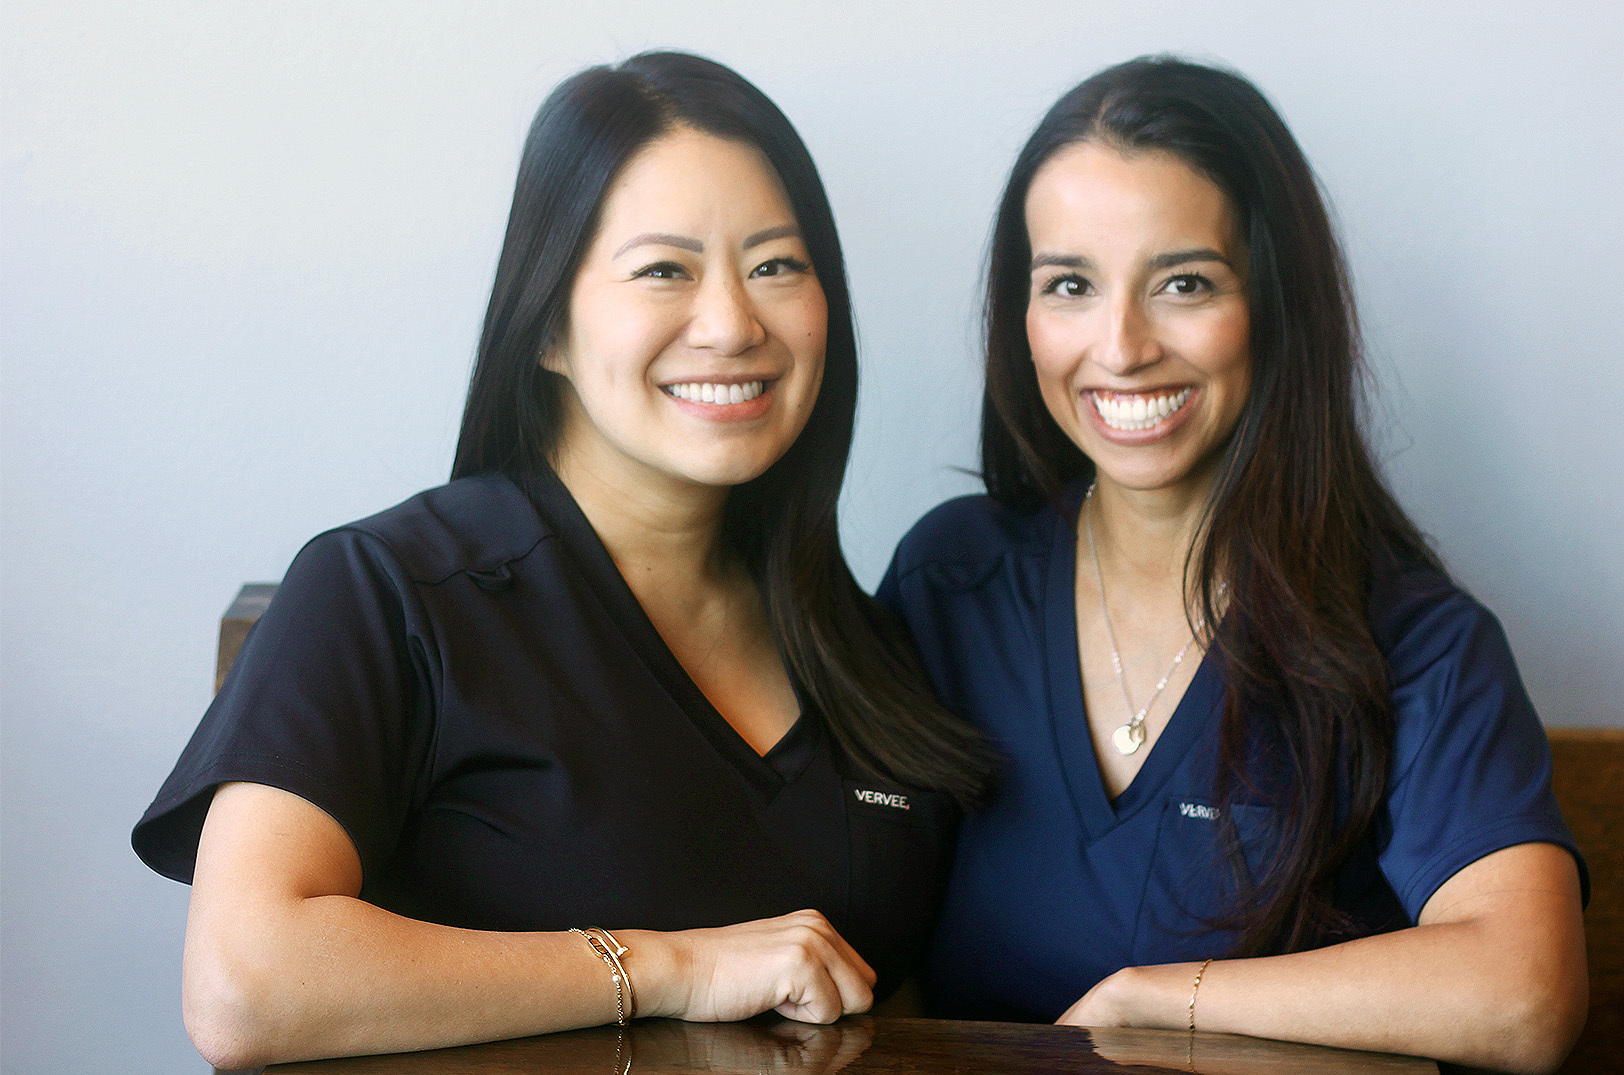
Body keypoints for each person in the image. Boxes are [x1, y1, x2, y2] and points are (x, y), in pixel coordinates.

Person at [133, 51, 993, 1070]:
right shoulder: (389, 590)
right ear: (546, 325)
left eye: (775, 265)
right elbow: (246, 985)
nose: (732, 323)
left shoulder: (871, 647)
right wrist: (670, 969)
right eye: (664, 269)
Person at [879, 56, 1588, 1074]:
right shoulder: (950, 578)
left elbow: (1524, 997)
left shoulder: (1416, 641)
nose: (1119, 347)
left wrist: (1158, 1000)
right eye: (1069, 284)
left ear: (1274, 302)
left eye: (1183, 283)